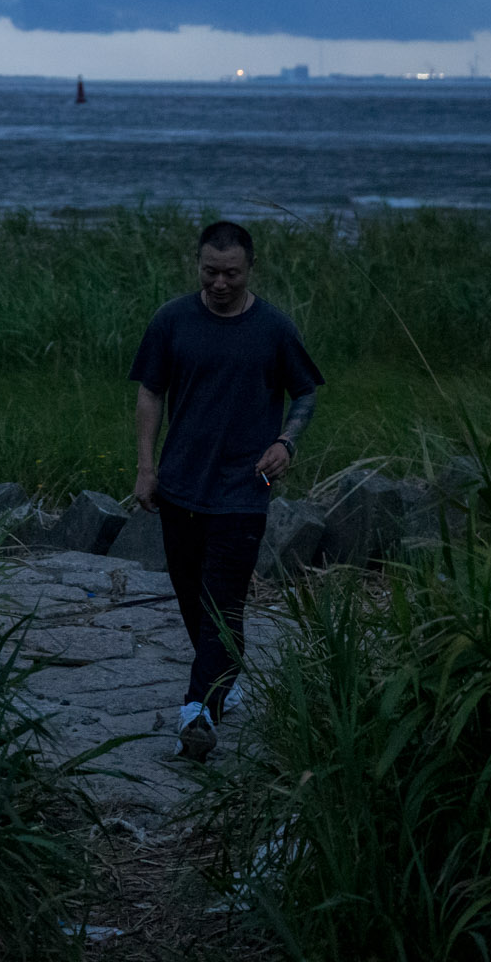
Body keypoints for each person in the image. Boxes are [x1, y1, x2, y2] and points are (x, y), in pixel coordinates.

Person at [128, 219, 323, 763]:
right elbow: (150, 394)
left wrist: (287, 441)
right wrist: (146, 468)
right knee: (191, 595)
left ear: (250, 269)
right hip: (180, 484)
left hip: (245, 487)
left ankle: (198, 709)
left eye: (230, 274)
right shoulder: (171, 321)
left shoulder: (274, 329)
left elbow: (306, 393)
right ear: (197, 265)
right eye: (210, 272)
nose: (219, 283)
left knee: (222, 600)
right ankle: (225, 680)